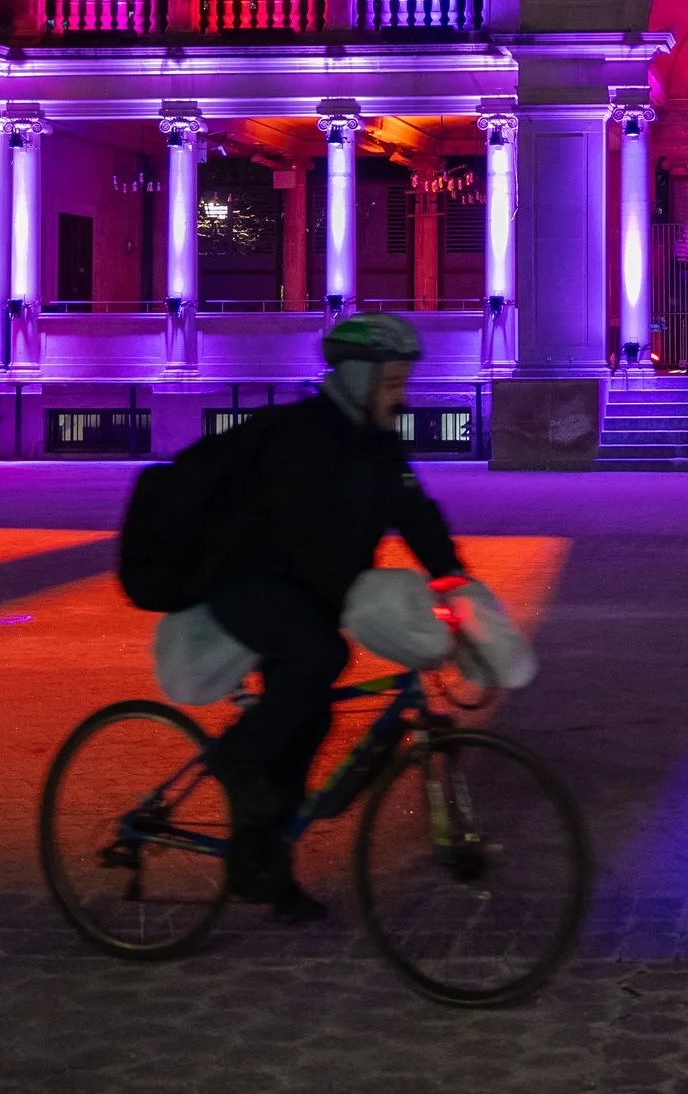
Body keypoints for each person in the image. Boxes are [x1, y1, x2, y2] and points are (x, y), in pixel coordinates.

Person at [203, 311, 465, 921]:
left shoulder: (377, 442)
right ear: (357, 379)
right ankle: (236, 757)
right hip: (247, 583)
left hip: (303, 593)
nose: (401, 398)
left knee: (308, 723)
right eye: (392, 383)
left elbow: (415, 511)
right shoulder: (305, 436)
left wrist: (455, 578)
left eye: (404, 384)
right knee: (318, 657)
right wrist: (358, 586)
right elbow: (298, 534)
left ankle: (269, 868)